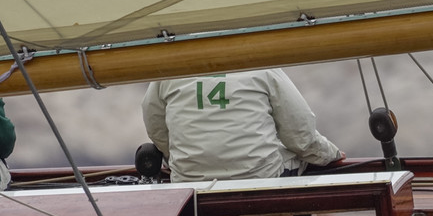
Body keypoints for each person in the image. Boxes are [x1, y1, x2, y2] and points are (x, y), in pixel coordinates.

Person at [140, 69, 342, 180]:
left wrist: (176, 157)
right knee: (300, 158)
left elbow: (156, 128)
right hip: (261, 178)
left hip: (189, 181)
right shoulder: (261, 66)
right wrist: (329, 154)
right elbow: (300, 137)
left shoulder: (169, 69)